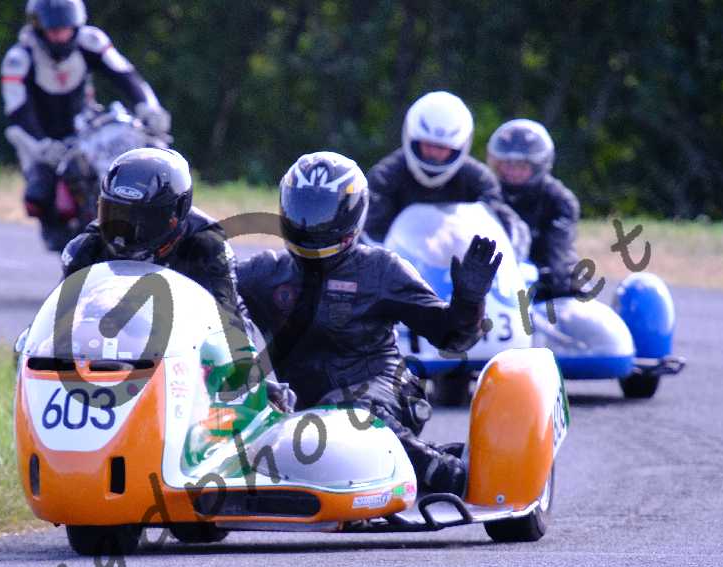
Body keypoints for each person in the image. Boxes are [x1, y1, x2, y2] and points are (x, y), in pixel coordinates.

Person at [237, 152, 503, 495]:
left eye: (321, 210)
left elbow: (451, 337)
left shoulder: (381, 269)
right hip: (303, 413)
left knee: (351, 410)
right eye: (304, 207)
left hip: (383, 393)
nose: (310, 222)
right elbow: (207, 288)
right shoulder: (264, 273)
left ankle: (445, 471)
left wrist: (468, 302)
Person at [1, 0, 171, 246]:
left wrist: (150, 109)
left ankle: (163, 219)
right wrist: (42, 145)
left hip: (88, 128)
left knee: (155, 152)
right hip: (43, 139)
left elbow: (127, 76)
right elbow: (17, 112)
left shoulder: (91, 41)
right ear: (38, 28)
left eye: (66, 29)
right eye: (54, 30)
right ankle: (62, 236)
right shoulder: (19, 58)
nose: (61, 36)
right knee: (39, 194)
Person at [61, 147, 246, 337]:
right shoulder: (87, 248)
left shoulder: (208, 246)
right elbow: (58, 323)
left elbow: (235, 327)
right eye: (116, 215)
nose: (126, 233)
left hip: (182, 342)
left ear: (177, 212)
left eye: (146, 219)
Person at [363, 91, 528, 254]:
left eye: (442, 147)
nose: (434, 153)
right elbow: (369, 238)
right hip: (397, 267)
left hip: (460, 268)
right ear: (413, 138)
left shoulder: (479, 180)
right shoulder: (385, 177)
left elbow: (502, 230)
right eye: (428, 144)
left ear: (460, 145)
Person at [486, 119, 581, 300]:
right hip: (488, 282)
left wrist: (554, 277)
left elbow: (558, 253)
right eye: (507, 163)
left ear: (538, 165)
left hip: (541, 290)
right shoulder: (485, 191)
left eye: (521, 165)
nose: (512, 171)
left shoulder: (559, 200)